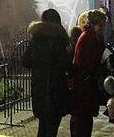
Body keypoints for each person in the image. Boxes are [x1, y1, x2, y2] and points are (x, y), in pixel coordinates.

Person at [23, 9, 72, 137]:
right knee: (52, 128)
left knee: (43, 126)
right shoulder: (58, 39)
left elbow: (25, 61)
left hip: (39, 90)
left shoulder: (36, 38)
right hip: (55, 91)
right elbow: (66, 64)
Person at [70, 10, 107, 137]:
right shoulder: (89, 38)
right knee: (83, 122)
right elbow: (88, 62)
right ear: (97, 23)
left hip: (84, 85)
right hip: (84, 85)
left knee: (83, 120)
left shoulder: (88, 36)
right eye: (103, 24)